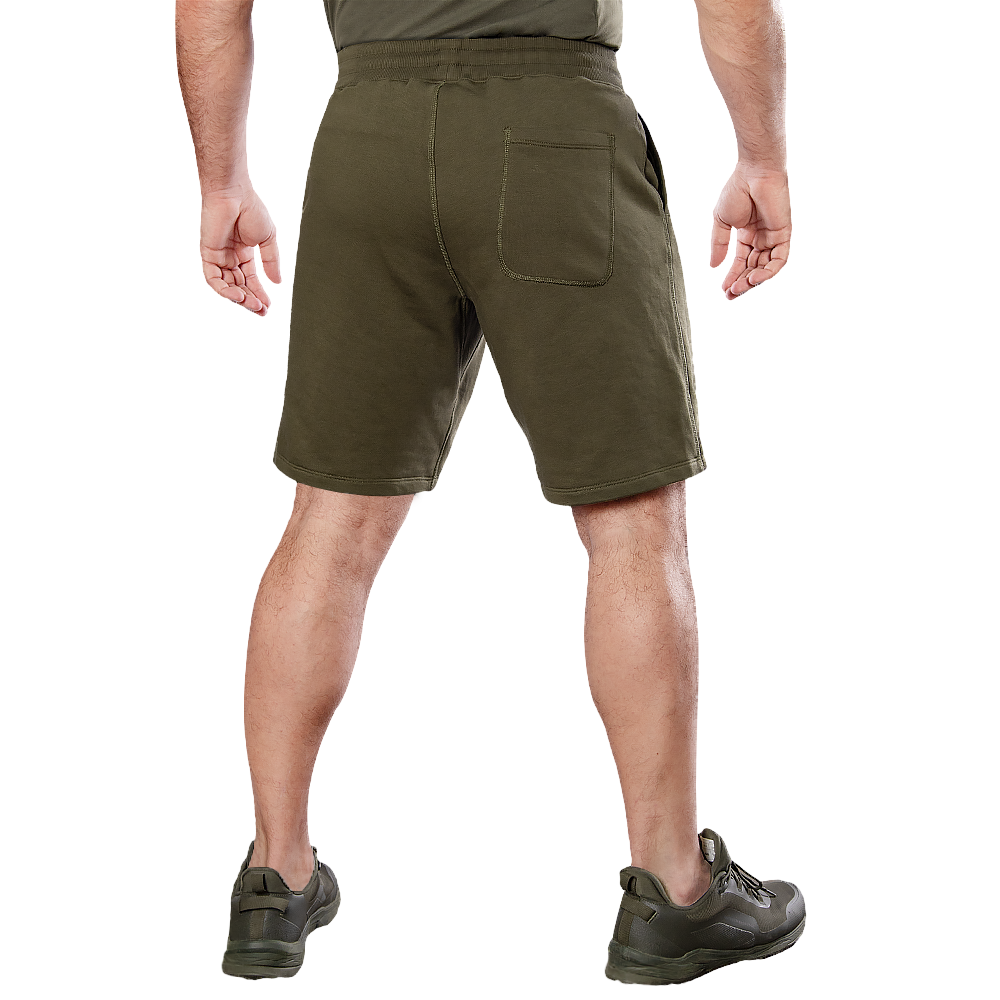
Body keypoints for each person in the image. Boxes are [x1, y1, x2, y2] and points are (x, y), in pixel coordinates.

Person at [175, 0, 803, 981]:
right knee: (631, 519)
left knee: (332, 516)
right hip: (554, 128)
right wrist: (761, 157)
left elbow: (209, 8)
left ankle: (275, 874)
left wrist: (222, 179)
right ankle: (672, 888)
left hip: (370, 135)